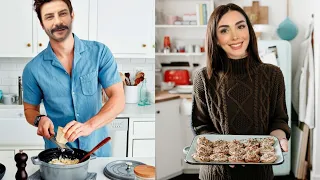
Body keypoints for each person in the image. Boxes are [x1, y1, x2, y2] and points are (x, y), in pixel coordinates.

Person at [191, 3, 290, 180]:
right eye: (224, 30)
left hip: (259, 173)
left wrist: (278, 139)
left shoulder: (273, 75)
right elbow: (201, 127)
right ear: (215, 38)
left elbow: (279, 120)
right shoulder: (203, 78)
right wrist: (224, 150)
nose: (235, 36)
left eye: (240, 26)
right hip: (216, 174)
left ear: (249, 31)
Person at [22, 0, 125, 157]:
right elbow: (30, 110)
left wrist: (89, 126)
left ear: (72, 15)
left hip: (97, 151)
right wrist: (40, 119)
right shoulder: (33, 69)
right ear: (42, 24)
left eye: (62, 14)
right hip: (58, 155)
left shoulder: (99, 53)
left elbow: (118, 99)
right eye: (49, 17)